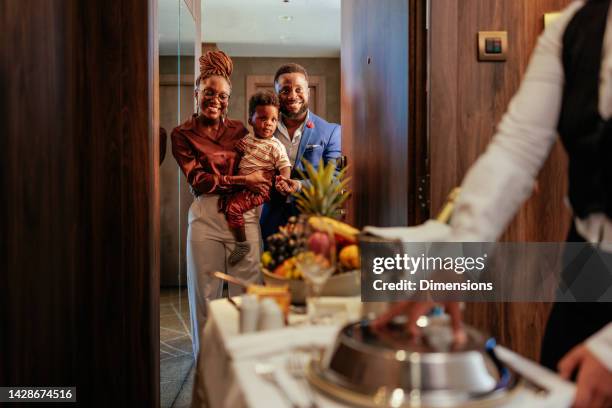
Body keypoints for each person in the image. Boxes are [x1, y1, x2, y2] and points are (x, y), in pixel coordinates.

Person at [374, 1, 612, 407]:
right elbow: (516, 150)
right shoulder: (573, 26)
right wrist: (452, 264)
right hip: (591, 263)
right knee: (560, 381)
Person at [171, 51, 270, 358]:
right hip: (205, 218)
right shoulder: (181, 134)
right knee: (206, 296)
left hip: (242, 217)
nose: (216, 100)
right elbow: (199, 181)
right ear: (196, 95)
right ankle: (208, 364)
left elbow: (258, 161)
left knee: (248, 292)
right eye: (209, 93)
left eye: (223, 96)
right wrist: (244, 182)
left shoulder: (240, 130)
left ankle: (247, 359)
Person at [259, 63, 342, 241]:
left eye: (299, 89)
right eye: (285, 90)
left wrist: (298, 186)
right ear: (276, 94)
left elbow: (334, 180)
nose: (292, 96)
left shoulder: (331, 131)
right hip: (270, 223)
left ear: (308, 92)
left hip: (313, 224)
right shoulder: (263, 131)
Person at [220, 90, 296, 265]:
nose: (268, 124)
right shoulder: (247, 139)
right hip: (243, 185)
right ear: (250, 120)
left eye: (273, 120)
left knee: (233, 208)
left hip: (260, 189)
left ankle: (242, 244)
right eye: (263, 118)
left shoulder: (275, 146)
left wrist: (282, 181)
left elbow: (285, 166)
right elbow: (235, 156)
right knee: (225, 204)